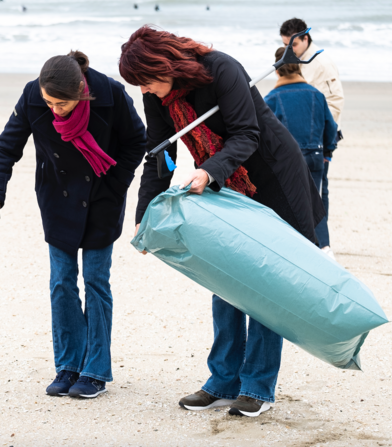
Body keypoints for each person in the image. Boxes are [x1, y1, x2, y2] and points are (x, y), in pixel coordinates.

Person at [118, 26, 323, 418]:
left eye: (144, 82)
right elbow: (159, 154)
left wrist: (209, 171)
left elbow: (248, 134)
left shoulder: (222, 69)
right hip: (224, 181)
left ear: (164, 66)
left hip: (272, 177)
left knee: (267, 284)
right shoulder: (158, 96)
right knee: (225, 278)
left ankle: (257, 387)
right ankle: (223, 381)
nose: (142, 91)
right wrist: (144, 218)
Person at [0, 50, 146, 399]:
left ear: (82, 92)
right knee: (61, 282)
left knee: (96, 281)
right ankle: (68, 365)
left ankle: (95, 370)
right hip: (58, 199)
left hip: (103, 198)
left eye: (63, 104)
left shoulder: (111, 94)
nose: (55, 109)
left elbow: (136, 142)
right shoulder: (31, 95)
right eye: (49, 102)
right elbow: (6, 148)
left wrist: (115, 185)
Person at [279, 18, 344, 257]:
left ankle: (320, 242)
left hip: (318, 140)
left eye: (292, 45)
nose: (289, 50)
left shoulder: (322, 63)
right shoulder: (295, 61)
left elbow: (335, 102)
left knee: (318, 191)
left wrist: (322, 139)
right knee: (303, 191)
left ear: (305, 39)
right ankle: (311, 239)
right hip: (298, 139)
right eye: (285, 45)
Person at [264, 46, 338, 205]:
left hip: (286, 160)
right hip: (314, 157)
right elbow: (330, 126)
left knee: (289, 209)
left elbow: (263, 134)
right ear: (299, 68)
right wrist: (327, 152)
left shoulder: (271, 99)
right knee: (313, 209)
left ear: (277, 71)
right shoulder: (317, 95)